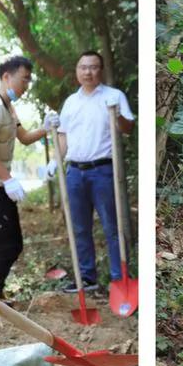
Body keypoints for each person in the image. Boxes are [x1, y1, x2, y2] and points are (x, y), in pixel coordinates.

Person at [55, 51, 135, 293]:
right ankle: (87, 278)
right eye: (83, 67)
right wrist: (55, 162)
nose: (87, 72)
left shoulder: (114, 96)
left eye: (93, 67)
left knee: (112, 226)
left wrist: (117, 114)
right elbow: (63, 136)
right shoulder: (71, 102)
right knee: (79, 228)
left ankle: (119, 278)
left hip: (103, 171)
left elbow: (128, 128)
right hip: (74, 172)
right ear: (77, 71)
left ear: (100, 70)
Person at [0, 55, 51, 301]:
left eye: (28, 80)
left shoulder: (8, 107)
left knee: (11, 244)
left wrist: (46, 128)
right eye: (24, 79)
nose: (26, 86)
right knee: (6, 244)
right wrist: (8, 179)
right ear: (6, 77)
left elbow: (25, 137)